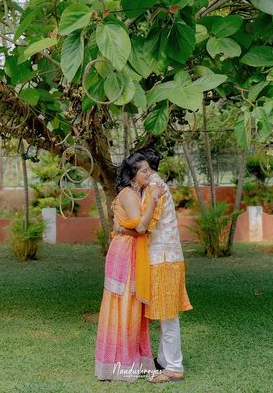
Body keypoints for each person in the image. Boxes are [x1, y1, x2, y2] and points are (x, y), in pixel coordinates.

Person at [115, 147, 193, 383]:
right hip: (164, 256)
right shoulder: (153, 186)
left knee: (168, 314)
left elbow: (144, 227)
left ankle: (174, 368)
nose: (144, 175)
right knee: (163, 312)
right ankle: (163, 360)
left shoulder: (153, 188)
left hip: (164, 258)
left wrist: (121, 229)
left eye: (145, 170)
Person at [95, 152, 166, 382]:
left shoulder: (137, 193)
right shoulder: (128, 194)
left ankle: (135, 358)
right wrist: (154, 199)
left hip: (131, 248)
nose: (149, 174)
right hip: (125, 253)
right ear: (134, 174)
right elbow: (142, 227)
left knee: (133, 306)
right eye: (144, 170)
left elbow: (132, 227)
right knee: (124, 304)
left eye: (148, 170)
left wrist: (124, 229)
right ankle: (122, 363)